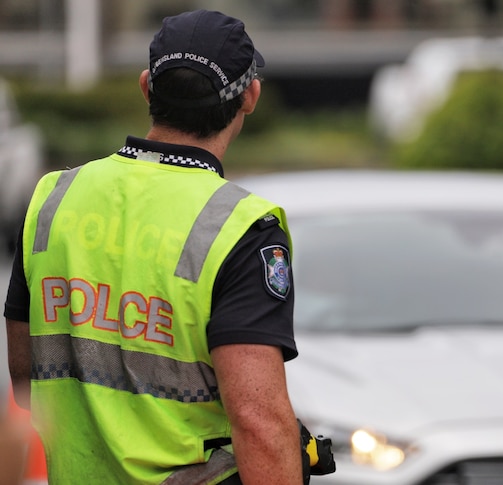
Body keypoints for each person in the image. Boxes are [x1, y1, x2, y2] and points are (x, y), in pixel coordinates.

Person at [4, 10, 304, 484]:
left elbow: (26, 381)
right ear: (250, 97)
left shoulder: (53, 200)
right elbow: (258, 421)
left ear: (147, 87)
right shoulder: (240, 229)